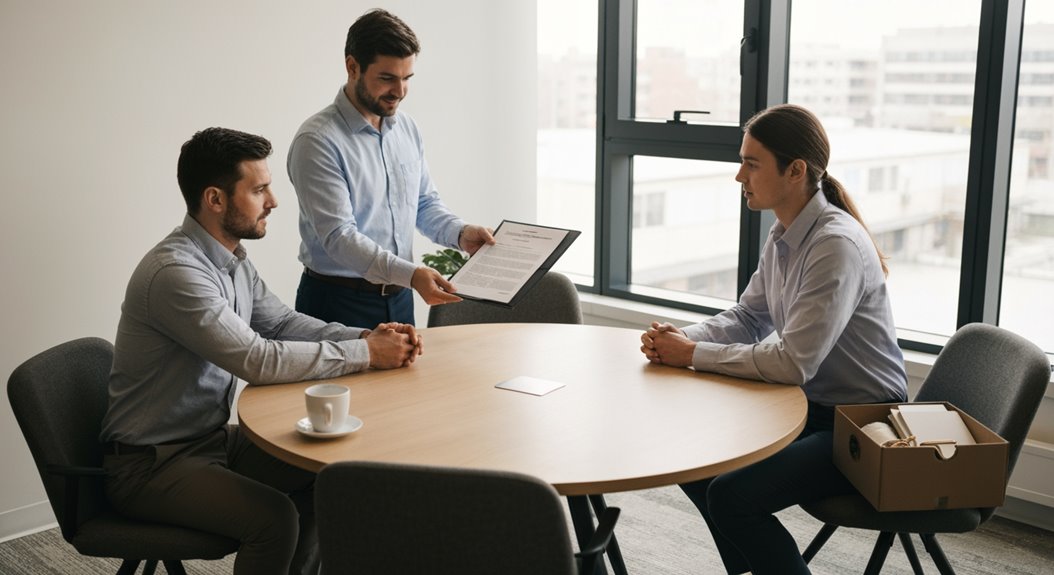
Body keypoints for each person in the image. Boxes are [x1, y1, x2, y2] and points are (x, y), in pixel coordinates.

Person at [99, 127, 422, 575]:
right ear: (215, 199)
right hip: (150, 467)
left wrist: (366, 338)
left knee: (328, 474)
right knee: (274, 519)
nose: (273, 200)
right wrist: (368, 356)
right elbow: (257, 359)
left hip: (208, 442)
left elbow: (283, 323)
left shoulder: (231, 260)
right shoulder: (176, 273)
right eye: (259, 189)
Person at [639, 104, 908, 575]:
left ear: (796, 170)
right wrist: (681, 339)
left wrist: (693, 355)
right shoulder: (786, 232)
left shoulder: (835, 245)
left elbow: (792, 363)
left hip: (859, 425)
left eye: (751, 162)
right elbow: (750, 315)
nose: (738, 175)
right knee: (691, 452)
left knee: (731, 495)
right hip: (806, 406)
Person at [288, 8, 495, 327]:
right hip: (336, 303)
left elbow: (423, 204)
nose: (399, 92)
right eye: (387, 78)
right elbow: (340, 237)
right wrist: (411, 275)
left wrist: (461, 233)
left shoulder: (407, 128)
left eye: (406, 78)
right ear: (352, 67)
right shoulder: (317, 141)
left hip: (400, 299)